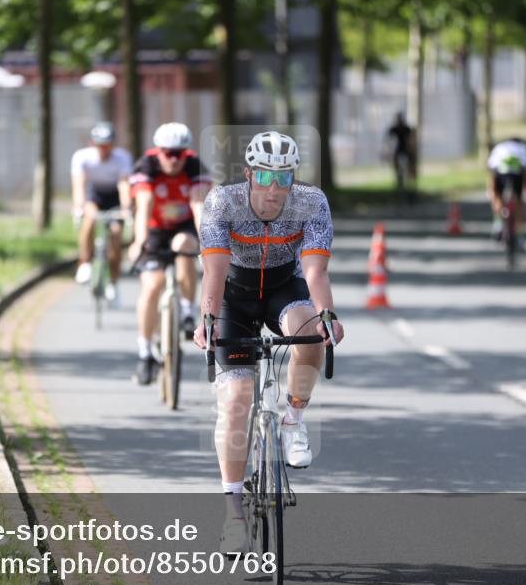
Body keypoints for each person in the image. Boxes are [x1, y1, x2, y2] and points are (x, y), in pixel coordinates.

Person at [194, 131, 345, 553]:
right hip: (234, 297)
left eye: (283, 177)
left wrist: (327, 313)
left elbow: (314, 273)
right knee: (237, 398)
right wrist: (207, 317)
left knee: (311, 331)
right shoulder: (223, 203)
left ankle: (293, 420)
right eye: (264, 176)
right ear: (249, 174)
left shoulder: (311, 202)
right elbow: (215, 272)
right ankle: (234, 514)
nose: (274, 188)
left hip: (283, 288)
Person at [128, 122, 210, 385]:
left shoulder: (194, 166)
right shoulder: (146, 167)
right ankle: (144, 354)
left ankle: (187, 311)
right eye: (168, 153)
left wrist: (209, 244)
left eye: (179, 154)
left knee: (185, 245)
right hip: (154, 228)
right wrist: (138, 241)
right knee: (152, 286)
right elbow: (143, 207)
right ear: (158, 151)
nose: (174, 160)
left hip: (183, 226)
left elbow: (198, 207)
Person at [71, 122, 134, 305]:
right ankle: (84, 263)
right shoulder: (82, 157)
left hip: (113, 196)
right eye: (100, 145)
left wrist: (126, 208)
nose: (104, 149)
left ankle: (113, 282)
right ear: (92, 143)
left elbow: (124, 185)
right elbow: (79, 185)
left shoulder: (122, 158)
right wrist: (78, 207)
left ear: (113, 144)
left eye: (107, 145)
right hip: (94, 194)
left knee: (115, 236)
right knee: (89, 219)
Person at [486, 137, 526, 250]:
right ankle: (521, 235)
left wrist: (491, 192)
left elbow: (490, 168)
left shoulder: (499, 147)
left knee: (496, 193)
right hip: (517, 174)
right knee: (519, 201)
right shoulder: (523, 148)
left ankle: (498, 223)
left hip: (500, 171)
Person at [386, 112, 417, 196]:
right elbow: (388, 140)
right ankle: (399, 181)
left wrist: (411, 150)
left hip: (405, 151)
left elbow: (410, 141)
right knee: (398, 169)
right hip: (398, 151)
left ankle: (407, 183)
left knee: (406, 169)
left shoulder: (406, 129)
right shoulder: (394, 129)